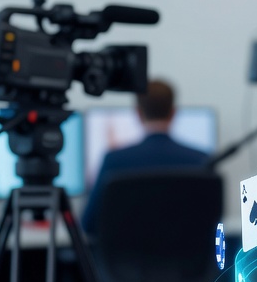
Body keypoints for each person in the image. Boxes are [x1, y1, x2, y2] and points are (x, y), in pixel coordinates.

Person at [82, 79, 209, 234]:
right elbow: (211, 223)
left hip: (127, 256)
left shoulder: (114, 160)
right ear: (173, 112)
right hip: (186, 256)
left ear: (138, 113)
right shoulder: (202, 161)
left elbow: (88, 224)